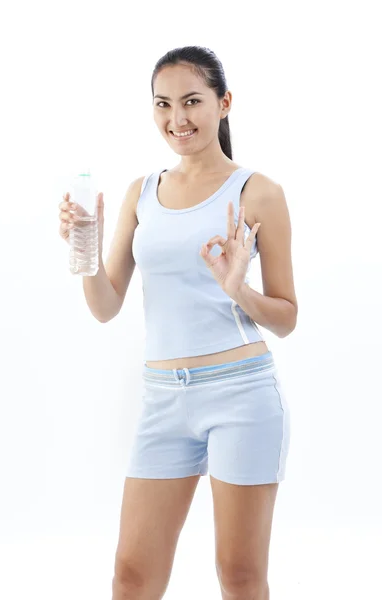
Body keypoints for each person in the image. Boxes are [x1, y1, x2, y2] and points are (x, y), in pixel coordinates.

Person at [59, 45, 298, 600]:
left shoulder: (258, 192)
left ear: (224, 103)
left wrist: (239, 288)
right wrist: (84, 250)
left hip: (242, 396)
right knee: (131, 577)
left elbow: (287, 317)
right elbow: (105, 305)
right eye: (163, 105)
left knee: (239, 576)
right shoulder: (140, 193)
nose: (177, 119)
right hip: (163, 401)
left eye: (192, 101)